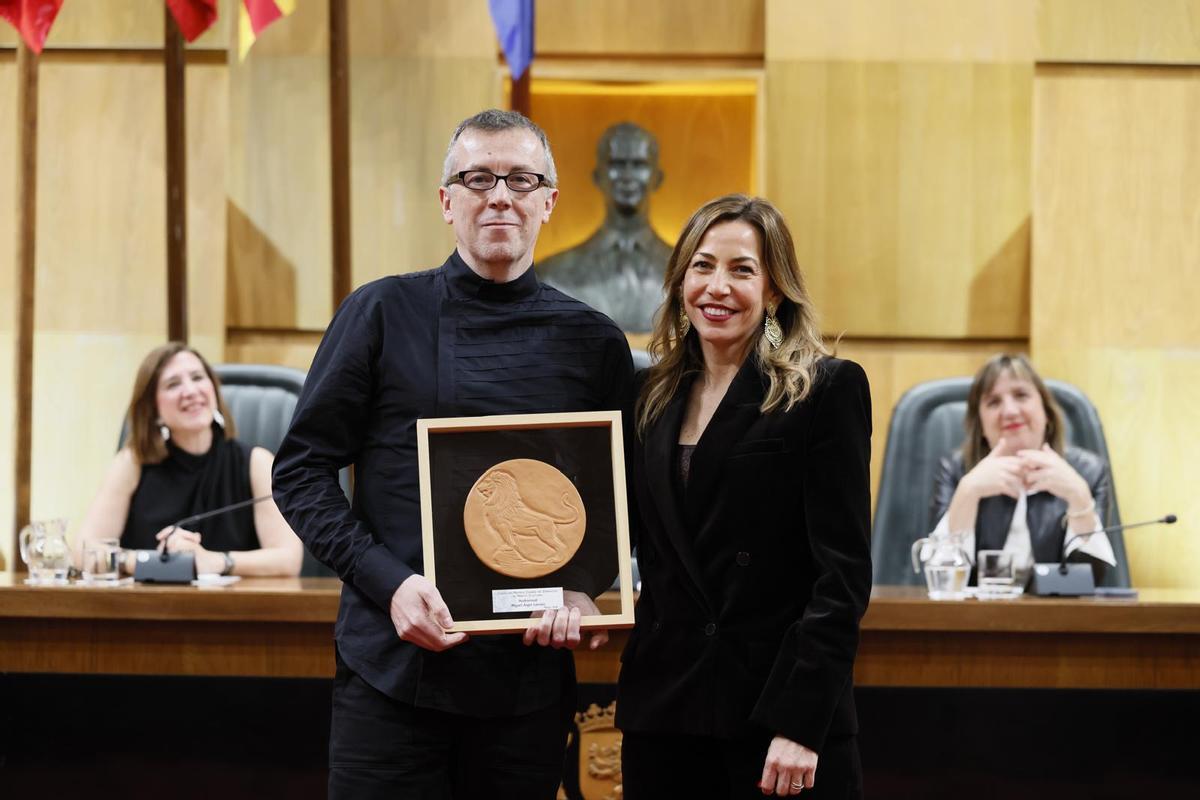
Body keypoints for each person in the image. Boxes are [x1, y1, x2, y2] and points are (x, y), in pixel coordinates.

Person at [271, 109, 634, 798]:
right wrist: (388, 582)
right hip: (392, 672)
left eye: (521, 179)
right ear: (446, 200)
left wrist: (589, 590)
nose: (500, 195)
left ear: (549, 200)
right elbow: (300, 472)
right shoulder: (379, 313)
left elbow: (620, 497)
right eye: (476, 178)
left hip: (526, 689)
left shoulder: (594, 342)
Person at [616, 194, 872, 798]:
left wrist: (801, 722)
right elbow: (631, 538)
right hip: (665, 714)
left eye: (741, 270)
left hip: (775, 715)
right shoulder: (648, 395)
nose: (717, 287)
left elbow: (842, 579)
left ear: (775, 289)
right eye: (702, 266)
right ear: (681, 282)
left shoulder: (824, 389)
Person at [77, 343, 303, 577]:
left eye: (197, 378)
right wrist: (151, 562)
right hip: (149, 608)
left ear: (213, 389)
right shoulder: (132, 464)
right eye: (173, 384)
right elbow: (84, 551)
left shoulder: (257, 463)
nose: (190, 391)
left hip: (235, 609)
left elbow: (288, 559)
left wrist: (217, 561)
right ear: (153, 407)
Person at [929, 353, 1117, 584]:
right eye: (993, 402)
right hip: (975, 617)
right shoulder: (956, 470)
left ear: (1046, 413)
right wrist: (968, 492)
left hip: (1057, 618)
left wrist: (1078, 496)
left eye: (1021, 395)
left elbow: (1090, 581)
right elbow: (943, 582)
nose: (1009, 411)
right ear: (981, 425)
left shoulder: (1088, 472)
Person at [538, 121, 674, 332]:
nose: (627, 176)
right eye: (617, 164)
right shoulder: (552, 274)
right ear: (597, 176)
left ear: (658, 178)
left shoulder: (683, 272)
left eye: (639, 165)